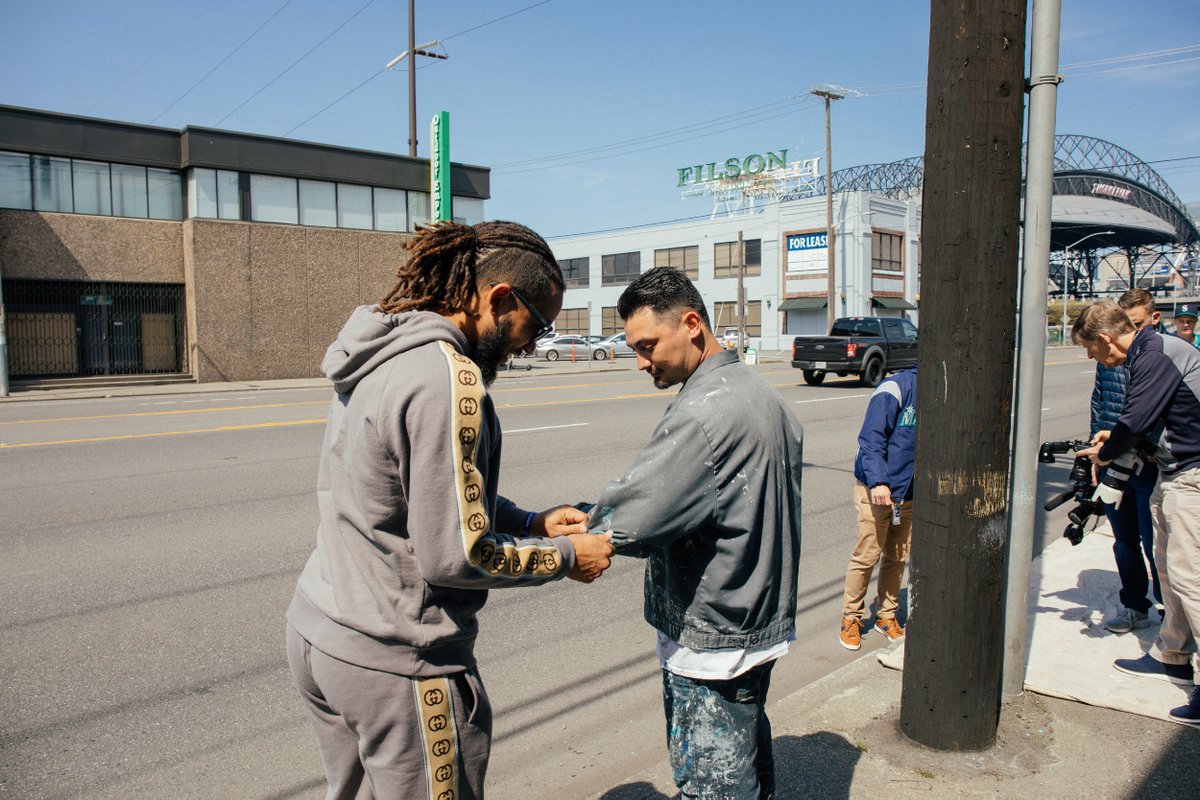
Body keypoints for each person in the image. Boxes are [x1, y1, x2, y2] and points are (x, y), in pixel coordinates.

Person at [285, 220, 615, 800]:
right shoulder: (449, 379)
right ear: (499, 298)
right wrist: (565, 556)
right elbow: (456, 557)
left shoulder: (378, 349)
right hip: (395, 659)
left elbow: (409, 492)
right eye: (536, 327)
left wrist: (529, 522)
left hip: (323, 633)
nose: (531, 345)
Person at [586, 267, 804, 799]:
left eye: (647, 345)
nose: (640, 362)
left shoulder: (704, 412)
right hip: (758, 619)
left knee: (714, 784)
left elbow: (637, 517)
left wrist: (585, 527)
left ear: (691, 324)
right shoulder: (757, 391)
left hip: (713, 636)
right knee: (748, 762)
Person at [1073, 299, 1200, 726]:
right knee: (1167, 570)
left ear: (1106, 338)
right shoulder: (1151, 352)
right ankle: (1173, 656)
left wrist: (1107, 450)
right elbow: (1145, 423)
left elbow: (1137, 418)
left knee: (1191, 578)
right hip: (1174, 471)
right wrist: (1119, 438)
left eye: (1091, 349)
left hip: (1193, 476)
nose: (1094, 358)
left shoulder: (1156, 353)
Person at [1087, 288, 1163, 634]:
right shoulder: (1110, 361)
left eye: (1138, 324)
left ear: (1153, 320)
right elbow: (1099, 404)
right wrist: (1097, 455)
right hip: (1114, 463)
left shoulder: (1158, 357)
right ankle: (1135, 605)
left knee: (1156, 542)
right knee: (1125, 540)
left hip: (1149, 465)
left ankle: (1168, 612)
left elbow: (1146, 418)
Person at [838, 366, 917, 651]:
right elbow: (871, 439)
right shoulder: (896, 388)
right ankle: (851, 618)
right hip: (876, 490)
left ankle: (886, 615)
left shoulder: (942, 392)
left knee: (897, 557)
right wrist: (879, 481)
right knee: (867, 556)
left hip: (909, 492)